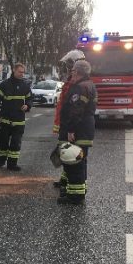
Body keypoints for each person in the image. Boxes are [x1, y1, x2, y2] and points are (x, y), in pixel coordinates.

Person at [57, 60, 96, 205]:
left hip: (78, 130)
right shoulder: (89, 85)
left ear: (78, 72)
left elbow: (76, 111)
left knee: (75, 162)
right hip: (86, 129)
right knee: (81, 160)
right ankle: (78, 190)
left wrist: (71, 129)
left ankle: (75, 196)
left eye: (73, 71)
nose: (71, 73)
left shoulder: (80, 87)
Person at [53, 49, 86, 190]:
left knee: (73, 154)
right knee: (66, 152)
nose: (68, 69)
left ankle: (74, 185)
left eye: (70, 66)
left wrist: (70, 127)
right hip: (65, 124)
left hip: (71, 125)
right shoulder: (71, 82)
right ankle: (66, 179)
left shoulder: (78, 84)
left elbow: (74, 108)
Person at [0, 62, 32, 171]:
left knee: (15, 144)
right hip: (5, 120)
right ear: (14, 70)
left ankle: (12, 164)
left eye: (23, 72)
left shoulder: (25, 85)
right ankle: (0, 162)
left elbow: (30, 99)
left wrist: (27, 105)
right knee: (2, 143)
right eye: (20, 72)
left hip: (19, 121)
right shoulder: (5, 84)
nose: (22, 74)